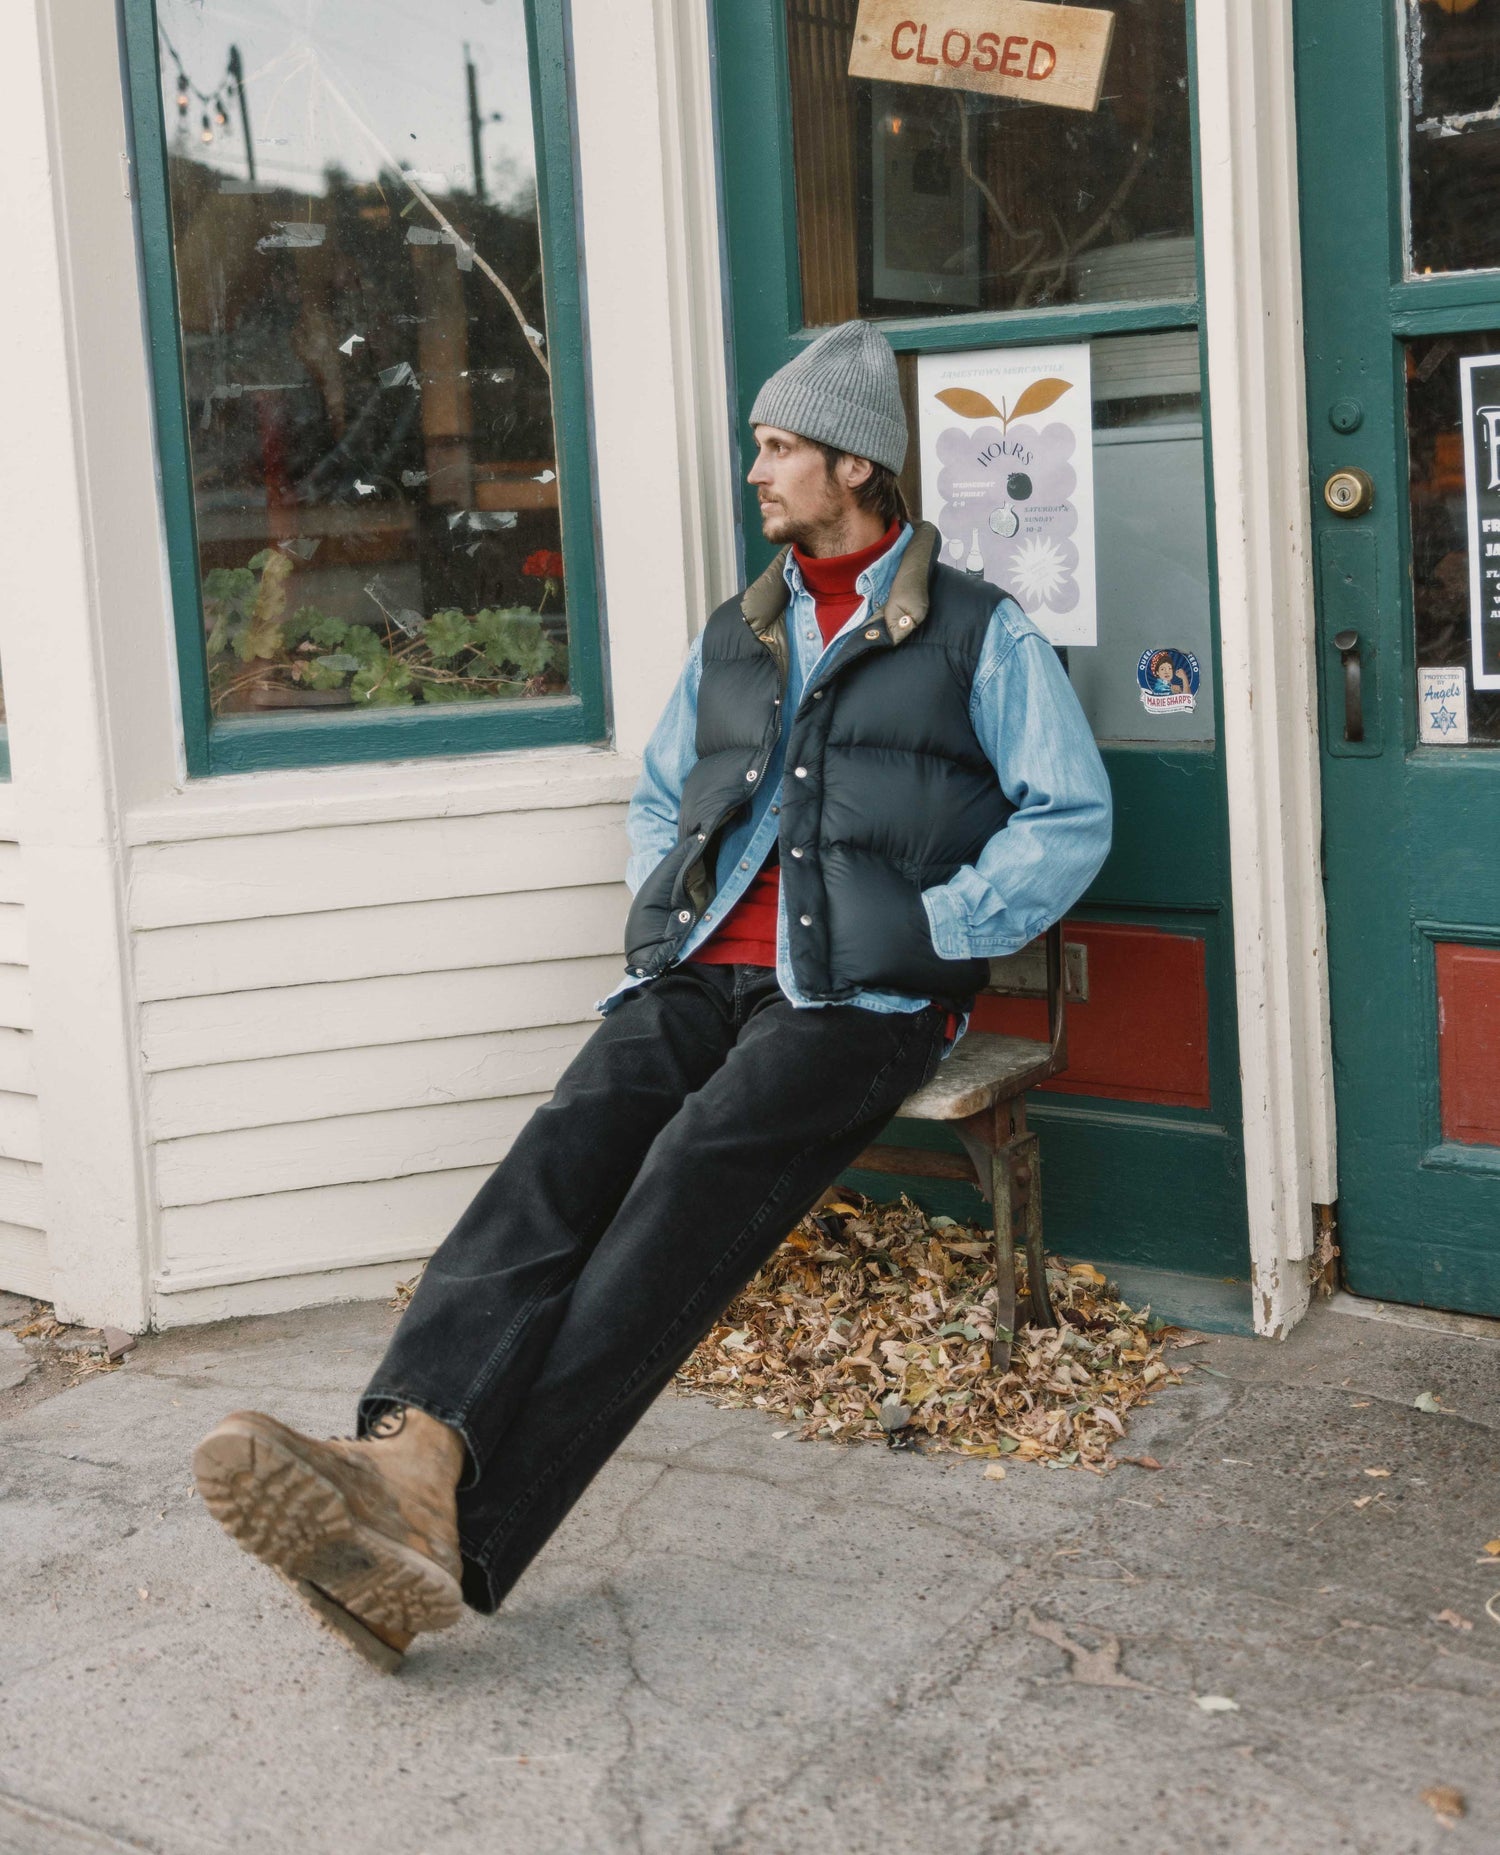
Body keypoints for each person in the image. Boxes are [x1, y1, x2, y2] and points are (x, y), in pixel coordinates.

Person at [191, 321, 1112, 1670]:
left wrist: (935, 927)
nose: (755, 471)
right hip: (701, 978)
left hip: (858, 1003)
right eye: (757, 445)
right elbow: (659, 790)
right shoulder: (739, 633)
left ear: (856, 464)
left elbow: (1068, 815)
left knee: (687, 1179)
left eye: (778, 445)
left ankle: (443, 1532)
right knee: (566, 1142)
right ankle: (408, 1455)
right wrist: (665, 911)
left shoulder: (976, 628)